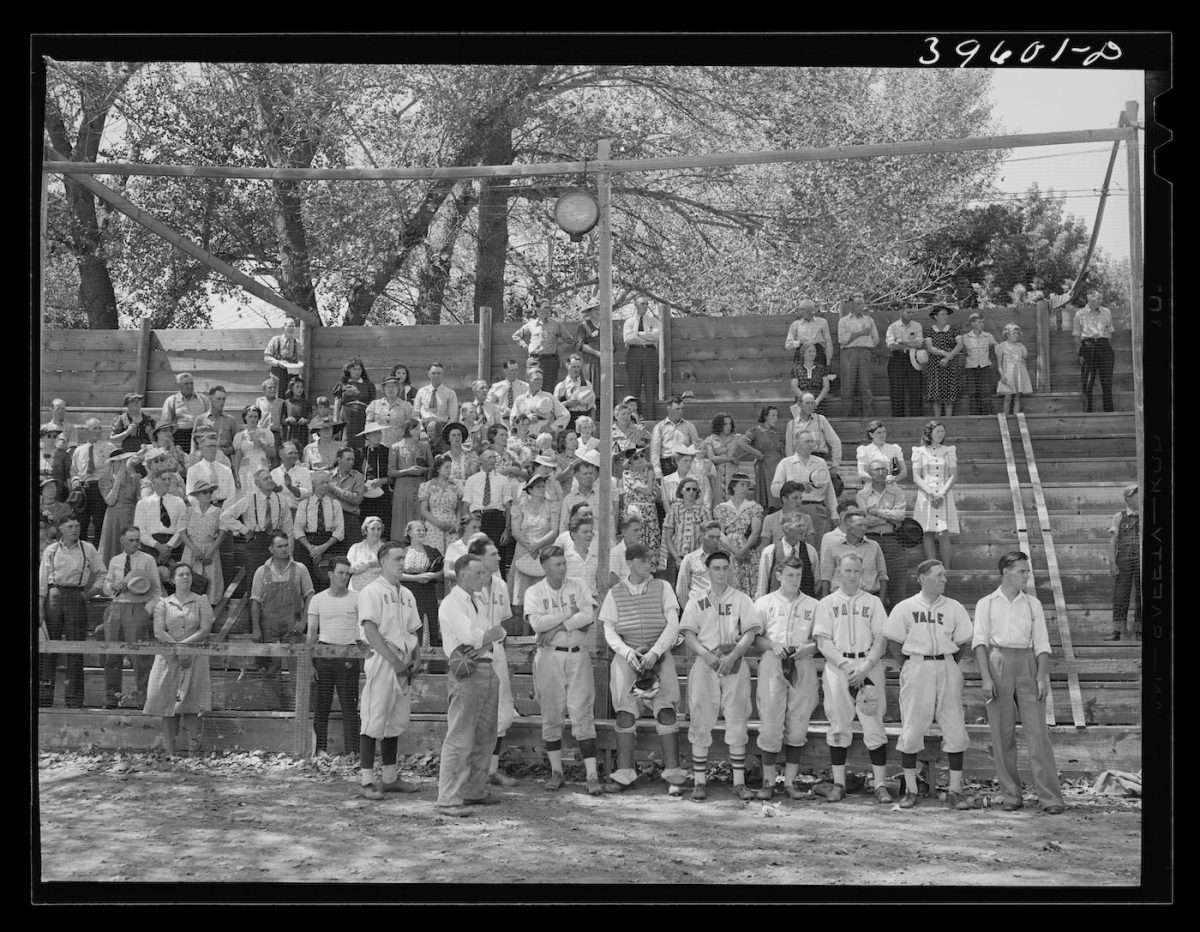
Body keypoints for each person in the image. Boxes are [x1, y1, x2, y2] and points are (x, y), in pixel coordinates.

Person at [973, 552, 1066, 813]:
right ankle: (1011, 795)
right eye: (1022, 571)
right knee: (1002, 734)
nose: (1027, 575)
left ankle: (1050, 798)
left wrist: (1040, 676)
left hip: (1027, 662)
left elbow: (1042, 643)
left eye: (1028, 571)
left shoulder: (1032, 604)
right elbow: (979, 642)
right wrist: (986, 678)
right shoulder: (987, 603)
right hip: (998, 660)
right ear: (1006, 572)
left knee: (1038, 733)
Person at [884, 559, 976, 809]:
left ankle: (955, 791)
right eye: (938, 575)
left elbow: (962, 643)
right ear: (922, 578)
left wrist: (946, 663)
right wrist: (911, 666)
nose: (944, 579)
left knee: (955, 728)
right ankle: (911, 790)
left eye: (945, 575)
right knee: (912, 728)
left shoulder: (954, 607)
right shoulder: (906, 607)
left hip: (946, 664)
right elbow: (894, 643)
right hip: (917, 665)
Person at [600, 542, 688, 794]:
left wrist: (654, 652)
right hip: (628, 657)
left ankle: (673, 775)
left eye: (651, 560)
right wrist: (627, 653)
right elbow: (608, 629)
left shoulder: (663, 587)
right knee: (625, 712)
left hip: (658, 656)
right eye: (644, 561)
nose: (649, 565)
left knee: (667, 709)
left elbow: (673, 624)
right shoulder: (615, 592)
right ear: (630, 562)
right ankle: (624, 773)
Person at [679, 549, 761, 801]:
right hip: (707, 663)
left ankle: (738, 782)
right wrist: (706, 655)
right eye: (717, 568)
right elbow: (689, 634)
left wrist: (734, 655)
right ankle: (700, 782)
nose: (722, 573)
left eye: (726, 568)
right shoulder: (697, 600)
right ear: (707, 570)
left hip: (733, 662)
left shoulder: (740, 599)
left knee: (737, 717)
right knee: (701, 717)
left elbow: (750, 632)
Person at [813, 552, 891, 804]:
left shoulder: (872, 602)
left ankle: (880, 784)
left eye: (857, 571)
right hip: (839, 666)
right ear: (838, 572)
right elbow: (823, 640)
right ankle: (838, 783)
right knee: (838, 723)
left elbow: (881, 637)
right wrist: (846, 665)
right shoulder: (827, 603)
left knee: (874, 722)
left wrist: (866, 666)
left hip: (868, 665)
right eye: (848, 571)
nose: (853, 575)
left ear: (863, 573)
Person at [525, 546, 602, 795]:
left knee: (582, 712)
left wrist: (556, 626)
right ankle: (556, 772)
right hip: (549, 657)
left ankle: (592, 775)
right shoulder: (535, 591)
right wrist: (568, 615)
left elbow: (588, 615)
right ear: (545, 567)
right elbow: (536, 623)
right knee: (551, 713)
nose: (562, 567)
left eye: (563, 563)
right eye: (556, 564)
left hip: (577, 655)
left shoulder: (577, 584)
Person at [434, 552, 506, 814]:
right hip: (466, 671)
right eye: (478, 573)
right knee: (460, 735)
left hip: (487, 667)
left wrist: (487, 638)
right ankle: (448, 797)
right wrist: (488, 637)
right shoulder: (452, 602)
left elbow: (498, 632)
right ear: (462, 573)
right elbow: (469, 636)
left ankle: (474, 790)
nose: (482, 577)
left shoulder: (477, 600)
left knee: (485, 735)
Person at [355, 540, 423, 799]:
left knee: (395, 722)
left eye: (404, 558)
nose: (402, 563)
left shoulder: (407, 594)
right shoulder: (371, 591)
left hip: (404, 660)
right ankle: (366, 782)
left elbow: (414, 629)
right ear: (383, 562)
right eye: (397, 558)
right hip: (384, 660)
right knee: (374, 719)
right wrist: (393, 661)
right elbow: (370, 630)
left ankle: (390, 778)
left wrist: (417, 657)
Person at [753, 556, 821, 799]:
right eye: (789, 575)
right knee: (771, 724)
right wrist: (773, 645)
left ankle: (790, 783)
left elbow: (821, 639)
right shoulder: (764, 603)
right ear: (779, 575)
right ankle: (768, 782)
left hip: (802, 663)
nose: (794, 580)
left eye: (798, 575)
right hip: (773, 664)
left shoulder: (813, 605)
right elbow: (754, 638)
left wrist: (809, 648)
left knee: (798, 724)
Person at [462, 535, 521, 786]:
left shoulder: (500, 585)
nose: (499, 558)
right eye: (493, 554)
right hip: (471, 653)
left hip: (496, 651)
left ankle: (491, 770)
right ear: (478, 558)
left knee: (502, 712)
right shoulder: (464, 586)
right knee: (473, 714)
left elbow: (502, 620)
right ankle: (470, 772)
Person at [144, 563, 213, 756]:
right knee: (168, 704)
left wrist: (185, 647)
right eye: (181, 575)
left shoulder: (201, 601)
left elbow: (205, 629)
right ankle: (170, 751)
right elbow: (159, 631)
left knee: (192, 703)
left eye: (188, 574)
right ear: (173, 580)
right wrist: (177, 648)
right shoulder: (163, 603)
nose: (185, 578)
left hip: (195, 658)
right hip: (168, 658)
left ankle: (193, 750)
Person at [38, 515, 107, 707]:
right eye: (70, 526)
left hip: (77, 597)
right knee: (49, 648)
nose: (75, 530)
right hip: (54, 596)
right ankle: (44, 698)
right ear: (61, 529)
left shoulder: (88, 548)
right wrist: (40, 606)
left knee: (75, 648)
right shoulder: (51, 550)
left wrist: (90, 593)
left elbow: (102, 573)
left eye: (77, 526)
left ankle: (74, 699)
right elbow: (43, 579)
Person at [250, 532, 316, 711]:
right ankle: (275, 710)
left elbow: (310, 596)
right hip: (268, 625)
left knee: (299, 668)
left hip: (293, 625)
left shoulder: (300, 569)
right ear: (271, 549)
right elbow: (255, 601)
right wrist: (256, 629)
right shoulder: (261, 571)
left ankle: (301, 710)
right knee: (270, 669)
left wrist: (303, 623)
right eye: (279, 546)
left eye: (286, 545)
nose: (284, 549)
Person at [100, 524, 162, 709]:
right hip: (115, 608)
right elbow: (106, 586)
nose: (136, 544)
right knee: (112, 656)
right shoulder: (115, 561)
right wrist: (112, 586)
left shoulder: (148, 560)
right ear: (122, 540)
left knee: (139, 658)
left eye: (137, 540)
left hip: (137, 609)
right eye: (131, 540)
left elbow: (157, 592)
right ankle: (112, 699)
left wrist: (145, 612)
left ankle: (144, 701)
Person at [306, 556, 361, 758]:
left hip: (348, 655)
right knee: (322, 704)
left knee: (349, 705)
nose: (344, 577)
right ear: (330, 574)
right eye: (340, 573)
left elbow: (364, 627)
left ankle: (353, 752)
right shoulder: (318, 599)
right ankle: (320, 750)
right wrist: (310, 663)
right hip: (324, 655)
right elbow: (311, 633)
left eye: (347, 573)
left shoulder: (357, 598)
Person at [221, 469, 294, 593]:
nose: (270, 480)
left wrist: (290, 551)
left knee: (277, 580)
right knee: (256, 580)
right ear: (257, 483)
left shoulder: (281, 499)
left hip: (277, 541)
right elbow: (225, 516)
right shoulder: (250, 499)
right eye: (265, 479)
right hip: (256, 542)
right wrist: (244, 530)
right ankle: (254, 610)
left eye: (270, 477)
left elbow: (288, 528)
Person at [857, 455, 909, 609]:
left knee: (897, 584)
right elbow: (864, 521)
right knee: (870, 582)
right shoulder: (862, 495)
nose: (880, 472)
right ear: (870, 473)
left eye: (883, 469)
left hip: (893, 541)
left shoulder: (897, 492)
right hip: (870, 541)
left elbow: (900, 516)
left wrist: (877, 512)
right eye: (876, 469)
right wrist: (888, 518)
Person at [770, 434, 836, 547]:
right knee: (791, 548)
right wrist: (796, 486)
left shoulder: (820, 462)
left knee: (818, 548)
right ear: (797, 444)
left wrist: (834, 511)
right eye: (807, 441)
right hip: (793, 510)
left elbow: (829, 490)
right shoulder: (785, 463)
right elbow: (774, 490)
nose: (811, 444)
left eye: (812, 442)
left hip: (817, 510)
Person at [509, 474, 560, 620]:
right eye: (538, 487)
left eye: (543, 486)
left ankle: (541, 628)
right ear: (529, 490)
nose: (542, 489)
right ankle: (524, 632)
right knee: (523, 594)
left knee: (544, 594)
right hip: (524, 552)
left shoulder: (552, 506)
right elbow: (515, 531)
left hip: (544, 552)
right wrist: (529, 546)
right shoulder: (519, 507)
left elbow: (554, 531)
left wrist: (537, 545)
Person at [912, 420, 959, 569]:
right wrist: (931, 493)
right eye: (938, 431)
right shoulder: (919, 451)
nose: (941, 434)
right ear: (929, 433)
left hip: (944, 494)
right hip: (926, 494)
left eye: (943, 431)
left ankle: (947, 569)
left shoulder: (949, 450)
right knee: (928, 531)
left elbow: (953, 475)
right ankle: (931, 568)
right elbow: (916, 476)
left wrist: (941, 493)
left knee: (943, 532)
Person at [819, 507, 888, 601]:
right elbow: (826, 578)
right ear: (848, 525)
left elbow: (882, 576)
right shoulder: (833, 547)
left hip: (869, 598)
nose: (864, 529)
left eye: (865, 525)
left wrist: (880, 601)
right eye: (859, 525)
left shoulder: (874, 546)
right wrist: (825, 604)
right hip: (839, 599)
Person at [462, 449, 513, 576]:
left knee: (497, 556)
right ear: (481, 460)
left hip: (496, 519)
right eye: (489, 457)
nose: (493, 460)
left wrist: (507, 529)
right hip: (477, 519)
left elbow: (507, 506)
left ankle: (499, 589)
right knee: (477, 555)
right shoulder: (472, 480)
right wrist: (469, 522)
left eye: (494, 457)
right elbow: (466, 505)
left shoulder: (503, 480)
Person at [294, 470, 346, 592]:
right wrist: (312, 549)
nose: (325, 485)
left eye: (327, 482)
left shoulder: (335, 504)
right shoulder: (304, 504)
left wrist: (322, 548)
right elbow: (298, 529)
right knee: (307, 584)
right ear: (314, 484)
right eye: (322, 482)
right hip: (307, 545)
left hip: (330, 545)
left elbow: (339, 530)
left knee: (327, 583)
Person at [177, 480, 226, 606]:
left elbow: (222, 534)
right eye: (205, 492)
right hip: (191, 550)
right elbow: (182, 532)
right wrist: (194, 549)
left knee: (211, 581)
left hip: (211, 549)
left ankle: (210, 609)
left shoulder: (219, 512)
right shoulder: (189, 511)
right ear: (197, 496)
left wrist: (210, 552)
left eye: (210, 492)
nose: (208, 494)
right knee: (188, 579)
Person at [714, 473, 764, 596]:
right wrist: (735, 551)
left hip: (748, 549)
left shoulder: (754, 507)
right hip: (728, 549)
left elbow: (755, 532)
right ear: (733, 486)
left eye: (747, 485)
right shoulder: (722, 508)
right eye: (741, 485)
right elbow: (719, 533)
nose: (745, 488)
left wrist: (743, 551)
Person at [71, 418, 117, 547]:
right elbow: (73, 470)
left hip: (101, 488)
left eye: (99, 428)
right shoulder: (79, 450)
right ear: (87, 430)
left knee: (99, 524)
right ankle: (81, 553)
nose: (98, 431)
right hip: (83, 489)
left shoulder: (109, 447)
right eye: (94, 428)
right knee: (81, 524)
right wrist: (75, 480)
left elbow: (118, 466)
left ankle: (98, 554)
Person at [755, 512, 819, 600]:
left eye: (803, 525)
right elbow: (762, 584)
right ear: (786, 529)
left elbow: (817, 582)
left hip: (804, 606)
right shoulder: (770, 551)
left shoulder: (810, 551)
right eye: (798, 526)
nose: (803, 529)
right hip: (776, 605)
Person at [134, 470, 189, 572]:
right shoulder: (143, 504)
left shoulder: (178, 502)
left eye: (169, 479)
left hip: (173, 545)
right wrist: (158, 546)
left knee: (174, 579)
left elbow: (181, 528)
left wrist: (168, 548)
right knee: (153, 578)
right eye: (163, 479)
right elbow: (141, 531)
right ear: (153, 483)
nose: (167, 482)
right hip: (150, 546)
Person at [660, 478, 710, 587]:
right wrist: (677, 558)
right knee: (674, 589)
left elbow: (707, 536)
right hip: (676, 556)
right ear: (681, 491)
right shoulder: (674, 509)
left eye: (694, 489)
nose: (691, 492)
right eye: (688, 489)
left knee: (696, 589)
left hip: (696, 558)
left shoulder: (703, 511)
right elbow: (668, 537)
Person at [514, 299, 572, 392]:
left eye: (549, 308)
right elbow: (516, 336)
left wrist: (559, 350)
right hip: (534, 361)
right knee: (532, 389)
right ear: (537, 310)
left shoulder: (556, 324)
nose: (548, 310)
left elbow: (569, 339)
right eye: (545, 308)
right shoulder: (531, 324)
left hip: (550, 361)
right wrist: (524, 345)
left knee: (548, 390)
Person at [401, 520, 445, 644]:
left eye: (423, 530)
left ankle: (427, 657)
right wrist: (416, 578)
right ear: (409, 533)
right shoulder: (402, 551)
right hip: (407, 591)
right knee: (408, 622)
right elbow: (395, 573)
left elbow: (443, 571)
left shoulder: (432, 551)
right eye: (418, 530)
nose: (421, 532)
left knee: (428, 623)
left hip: (427, 592)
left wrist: (433, 575)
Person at [1073, 288, 1116, 413]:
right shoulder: (1080, 314)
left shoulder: (1107, 312)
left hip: (1104, 347)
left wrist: (1104, 344)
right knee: (1087, 383)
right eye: (1098, 298)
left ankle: (1109, 414)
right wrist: (1080, 352)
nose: (1101, 300)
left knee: (1107, 383)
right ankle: (1087, 415)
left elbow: (1110, 331)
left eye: (1101, 298)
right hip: (1087, 347)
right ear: (1089, 298)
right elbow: (1076, 336)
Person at [389, 418, 431, 542]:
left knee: (419, 512)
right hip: (403, 487)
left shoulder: (424, 446)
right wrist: (407, 471)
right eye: (416, 429)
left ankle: (420, 542)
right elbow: (391, 471)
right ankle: (401, 543)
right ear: (409, 430)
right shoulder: (396, 447)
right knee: (402, 515)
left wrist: (423, 470)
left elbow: (432, 467)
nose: (419, 431)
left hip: (420, 485)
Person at [1107, 484, 1141, 641]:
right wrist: (1112, 563)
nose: (1139, 498)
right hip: (1123, 560)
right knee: (1120, 595)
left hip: (1142, 559)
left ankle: (1140, 630)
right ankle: (1118, 631)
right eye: (1136, 495)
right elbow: (1113, 541)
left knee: (1142, 594)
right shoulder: (1118, 517)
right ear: (1128, 499)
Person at [97, 452, 142, 564]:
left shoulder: (135, 478)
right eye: (119, 461)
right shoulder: (104, 480)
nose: (122, 463)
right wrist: (117, 481)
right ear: (112, 463)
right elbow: (109, 501)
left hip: (131, 516)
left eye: (124, 460)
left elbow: (139, 500)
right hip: (114, 518)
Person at [838, 299, 879, 418]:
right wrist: (860, 333)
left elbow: (876, 339)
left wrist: (865, 345)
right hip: (849, 353)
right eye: (858, 304)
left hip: (865, 353)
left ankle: (868, 418)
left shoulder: (869, 320)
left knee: (866, 386)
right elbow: (842, 340)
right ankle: (846, 418)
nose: (861, 306)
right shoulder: (843, 321)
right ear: (851, 306)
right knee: (848, 387)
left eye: (862, 303)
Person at [622, 295, 661, 422]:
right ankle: (634, 418)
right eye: (642, 303)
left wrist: (638, 334)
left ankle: (650, 418)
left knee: (651, 386)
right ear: (636, 305)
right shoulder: (629, 322)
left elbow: (656, 336)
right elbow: (627, 338)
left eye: (646, 303)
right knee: (634, 386)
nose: (645, 306)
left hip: (649, 352)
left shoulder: (653, 321)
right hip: (634, 354)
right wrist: (646, 335)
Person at [620, 447, 662, 564]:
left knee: (652, 546)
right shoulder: (628, 474)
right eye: (635, 457)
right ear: (630, 462)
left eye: (642, 455)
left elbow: (657, 495)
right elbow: (647, 490)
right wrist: (650, 475)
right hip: (637, 514)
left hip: (651, 515)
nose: (640, 459)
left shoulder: (649, 476)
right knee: (638, 546)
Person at [741, 406, 786, 512]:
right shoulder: (756, 430)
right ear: (765, 416)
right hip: (765, 467)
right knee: (766, 500)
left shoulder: (778, 432)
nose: (776, 418)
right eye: (773, 416)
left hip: (778, 466)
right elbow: (741, 442)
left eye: (777, 416)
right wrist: (755, 452)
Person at [884, 305, 927, 418]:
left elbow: (919, 343)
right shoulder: (893, 327)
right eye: (908, 312)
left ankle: (916, 419)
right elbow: (891, 345)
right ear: (901, 312)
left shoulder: (917, 326)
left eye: (912, 312)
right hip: (897, 359)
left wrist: (902, 342)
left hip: (913, 357)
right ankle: (898, 419)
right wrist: (908, 343)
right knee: (897, 390)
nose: (910, 314)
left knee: (916, 390)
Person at [923, 305, 965, 418]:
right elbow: (930, 348)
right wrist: (944, 354)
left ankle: (948, 420)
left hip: (950, 365)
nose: (945, 316)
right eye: (942, 314)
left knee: (949, 395)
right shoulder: (928, 331)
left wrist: (948, 357)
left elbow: (960, 344)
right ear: (935, 316)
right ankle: (937, 421)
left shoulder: (954, 329)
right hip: (935, 366)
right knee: (936, 394)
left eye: (946, 314)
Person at [418, 453, 464, 554]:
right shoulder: (428, 486)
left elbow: (459, 508)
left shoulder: (455, 485)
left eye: (450, 467)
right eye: (446, 467)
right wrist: (438, 523)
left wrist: (457, 524)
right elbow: (423, 510)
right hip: (434, 525)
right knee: (436, 555)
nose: (449, 470)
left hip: (451, 526)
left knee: (453, 555)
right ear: (438, 469)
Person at [650, 395, 700, 482]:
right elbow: (655, 450)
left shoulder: (690, 426)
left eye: (682, 408)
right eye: (677, 409)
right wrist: (657, 470)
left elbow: (696, 446)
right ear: (669, 409)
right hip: (666, 463)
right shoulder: (659, 427)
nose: (680, 412)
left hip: (685, 462)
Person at [675, 519, 724, 606]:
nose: (715, 540)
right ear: (702, 537)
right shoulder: (690, 559)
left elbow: (731, 585)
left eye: (718, 537)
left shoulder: (725, 559)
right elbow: (681, 591)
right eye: (711, 537)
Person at [512, 368, 569, 438]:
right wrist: (526, 418)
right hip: (524, 439)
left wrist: (551, 427)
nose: (539, 382)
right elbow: (513, 420)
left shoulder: (549, 397)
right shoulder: (520, 399)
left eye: (540, 379)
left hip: (543, 439)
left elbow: (565, 415)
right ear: (528, 380)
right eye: (536, 379)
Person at [160, 372, 210, 451]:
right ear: (179, 386)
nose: (190, 386)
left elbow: (210, 418)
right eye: (186, 384)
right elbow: (166, 425)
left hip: (200, 436)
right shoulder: (171, 400)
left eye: (191, 383)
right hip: (180, 438)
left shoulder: (203, 399)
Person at [356, 422, 393, 528]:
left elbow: (393, 475)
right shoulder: (360, 452)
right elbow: (355, 474)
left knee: (382, 523)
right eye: (375, 433)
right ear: (367, 436)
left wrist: (382, 481)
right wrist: (361, 485)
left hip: (382, 494)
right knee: (365, 524)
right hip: (364, 494)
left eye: (379, 432)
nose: (378, 435)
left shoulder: (387, 452)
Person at [327, 447, 366, 547]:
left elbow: (357, 499)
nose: (351, 462)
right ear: (339, 460)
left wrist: (335, 490)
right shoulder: (327, 476)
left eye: (353, 460)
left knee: (353, 553)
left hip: (349, 518)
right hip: (330, 518)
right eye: (348, 459)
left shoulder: (358, 477)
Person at [233, 405, 276, 495]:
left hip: (261, 466)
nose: (253, 419)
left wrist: (260, 443)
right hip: (246, 468)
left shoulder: (266, 433)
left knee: (261, 493)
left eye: (255, 416)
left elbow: (273, 454)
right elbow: (237, 458)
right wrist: (236, 476)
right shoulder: (240, 436)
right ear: (245, 417)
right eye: (250, 416)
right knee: (247, 494)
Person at [758, 481, 813, 551]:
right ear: (784, 499)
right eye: (795, 498)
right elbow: (764, 547)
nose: (799, 501)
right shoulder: (770, 519)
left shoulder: (807, 519)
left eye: (800, 498)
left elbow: (811, 549)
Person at [961, 312, 998, 416]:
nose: (982, 324)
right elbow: (957, 349)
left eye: (983, 322)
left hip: (984, 367)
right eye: (979, 322)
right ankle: (974, 416)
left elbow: (997, 347)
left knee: (985, 392)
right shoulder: (965, 337)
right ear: (972, 323)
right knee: (972, 392)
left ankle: (987, 415)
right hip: (970, 368)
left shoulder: (988, 336)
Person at [186, 433, 237, 507]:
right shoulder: (193, 471)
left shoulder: (226, 470)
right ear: (201, 448)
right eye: (209, 446)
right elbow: (191, 495)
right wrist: (205, 510)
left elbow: (232, 493)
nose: (213, 449)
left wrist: (224, 510)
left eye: (215, 446)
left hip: (224, 507)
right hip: (203, 508)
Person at [365, 375, 414, 449]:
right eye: (388, 386)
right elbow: (368, 426)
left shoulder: (406, 406)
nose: (390, 389)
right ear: (383, 389)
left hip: (399, 446)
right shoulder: (374, 405)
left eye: (393, 386)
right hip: (379, 446)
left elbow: (411, 427)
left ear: (398, 389)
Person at [190, 386, 238, 460]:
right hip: (204, 461)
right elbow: (194, 444)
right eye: (218, 399)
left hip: (224, 462)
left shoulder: (231, 420)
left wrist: (226, 450)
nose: (222, 402)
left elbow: (236, 445)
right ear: (210, 399)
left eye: (223, 399)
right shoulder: (200, 420)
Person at [263, 318, 304, 405]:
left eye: (293, 326)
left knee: (291, 401)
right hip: (277, 376)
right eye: (289, 326)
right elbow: (267, 357)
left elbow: (300, 359)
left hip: (292, 376)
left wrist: (300, 363)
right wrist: (278, 363)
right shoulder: (275, 340)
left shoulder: (297, 343)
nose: (291, 328)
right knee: (277, 400)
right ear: (283, 328)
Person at [996, 323, 1033, 416]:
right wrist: (1002, 375)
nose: (1016, 335)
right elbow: (999, 363)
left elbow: (1024, 360)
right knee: (1008, 397)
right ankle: (1005, 416)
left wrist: (1024, 376)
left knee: (1017, 396)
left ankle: (1016, 417)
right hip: (1008, 375)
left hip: (1018, 374)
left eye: (1017, 333)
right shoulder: (1001, 346)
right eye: (1014, 333)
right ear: (1007, 334)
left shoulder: (1020, 346)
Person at [856, 420, 907, 485]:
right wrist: (878, 481)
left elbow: (904, 471)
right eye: (879, 432)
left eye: (884, 432)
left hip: (890, 485)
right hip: (872, 486)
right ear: (871, 435)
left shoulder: (894, 448)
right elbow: (861, 473)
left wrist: (894, 478)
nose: (882, 435)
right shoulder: (864, 450)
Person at [785, 297, 832, 369]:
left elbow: (828, 343)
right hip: (802, 354)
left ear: (811, 310)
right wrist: (799, 343)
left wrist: (828, 363)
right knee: (802, 379)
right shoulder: (795, 324)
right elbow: (787, 344)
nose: (800, 312)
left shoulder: (822, 322)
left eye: (803, 309)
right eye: (800, 309)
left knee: (818, 378)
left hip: (818, 355)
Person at [563, 514, 599, 605]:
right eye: (585, 532)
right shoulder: (564, 558)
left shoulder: (596, 558)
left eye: (591, 532)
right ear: (574, 535)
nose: (589, 535)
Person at [554, 353, 596, 432]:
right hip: (566, 423)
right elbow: (554, 407)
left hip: (583, 422)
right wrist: (566, 403)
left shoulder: (587, 384)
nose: (576, 370)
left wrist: (593, 426)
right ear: (567, 366)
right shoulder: (560, 386)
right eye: (573, 367)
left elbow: (593, 407)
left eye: (578, 367)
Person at [271, 440, 313, 519]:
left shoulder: (304, 472)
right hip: (277, 513)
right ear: (281, 455)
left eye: (295, 453)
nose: (294, 456)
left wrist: (291, 488)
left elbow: (308, 494)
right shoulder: (274, 473)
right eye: (290, 453)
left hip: (297, 513)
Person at [347, 515, 386, 592]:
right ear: (365, 530)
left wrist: (361, 566)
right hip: (356, 590)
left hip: (377, 591)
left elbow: (389, 569)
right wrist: (369, 564)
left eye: (379, 529)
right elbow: (349, 568)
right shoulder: (356, 547)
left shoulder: (386, 549)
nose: (376, 532)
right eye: (372, 529)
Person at [486, 358, 529, 425]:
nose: (515, 373)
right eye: (512, 370)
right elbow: (488, 403)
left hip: (520, 421)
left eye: (516, 370)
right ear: (505, 371)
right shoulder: (496, 387)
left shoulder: (525, 387)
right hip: (502, 421)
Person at [790, 342, 832, 410]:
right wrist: (806, 400)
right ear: (803, 354)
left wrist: (816, 401)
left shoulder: (821, 368)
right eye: (809, 351)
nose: (812, 354)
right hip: (802, 400)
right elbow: (794, 387)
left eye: (813, 351)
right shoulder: (796, 369)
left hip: (818, 401)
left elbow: (826, 387)